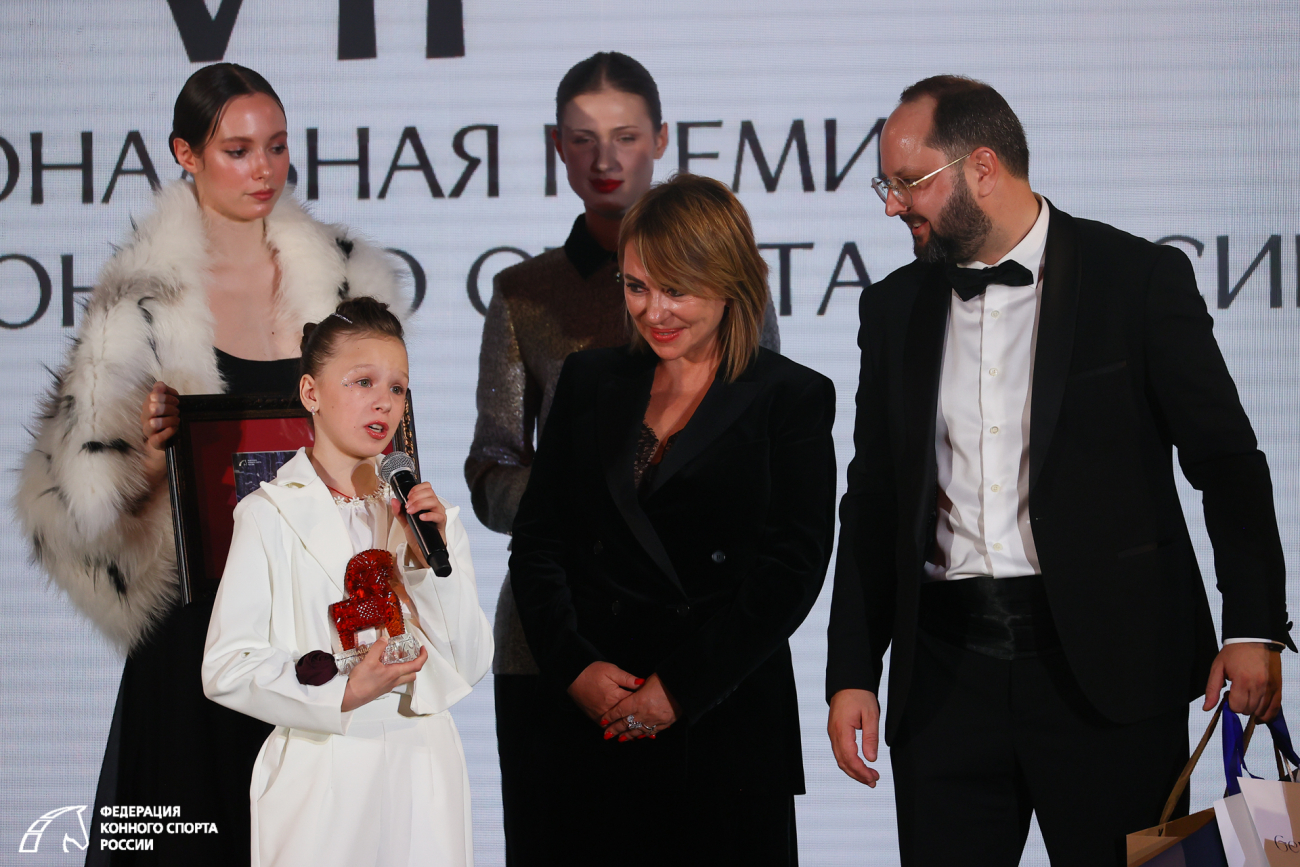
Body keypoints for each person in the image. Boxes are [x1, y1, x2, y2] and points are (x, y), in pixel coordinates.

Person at [824, 74, 1293, 866]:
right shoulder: (894, 306)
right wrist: (851, 671)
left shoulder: (1137, 279)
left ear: (982, 167)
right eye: (886, 185)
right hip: (943, 680)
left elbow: (1227, 461)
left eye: (909, 183)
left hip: (1110, 674)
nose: (893, 205)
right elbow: (874, 499)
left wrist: (1253, 625)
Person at [14, 63, 401, 865]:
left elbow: (387, 438)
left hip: (319, 617)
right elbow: (78, 496)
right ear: (185, 154)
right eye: (237, 150)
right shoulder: (139, 298)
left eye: (277, 147)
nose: (263, 169)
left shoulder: (347, 276)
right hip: (198, 621)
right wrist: (149, 454)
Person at [463, 50, 780, 862]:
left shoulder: (735, 284)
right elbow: (491, 473)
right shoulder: (524, 291)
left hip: (699, 637)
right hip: (556, 638)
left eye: (626, 135)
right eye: (583, 138)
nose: (605, 158)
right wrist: (594, 495)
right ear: (557, 147)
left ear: (661, 140)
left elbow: (756, 457)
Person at [509, 173, 835, 866]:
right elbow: (539, 543)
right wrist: (574, 667)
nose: (653, 311)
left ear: (730, 282)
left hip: (723, 721)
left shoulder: (793, 397)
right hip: (589, 716)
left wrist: (679, 691)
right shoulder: (588, 379)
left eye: (676, 289)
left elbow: (792, 570)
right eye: (635, 286)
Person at [203, 297, 492, 867]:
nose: (384, 401)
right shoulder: (267, 514)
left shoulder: (427, 518)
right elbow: (227, 666)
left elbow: (469, 662)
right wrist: (343, 691)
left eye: (398, 388)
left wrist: (423, 564)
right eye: (363, 382)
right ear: (311, 393)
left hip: (424, 764)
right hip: (323, 766)